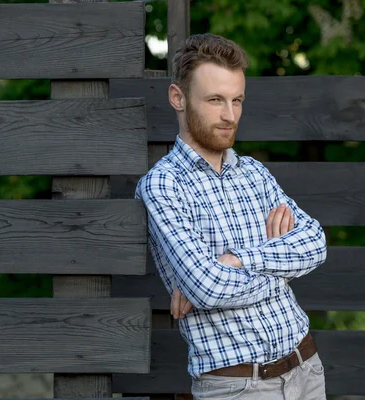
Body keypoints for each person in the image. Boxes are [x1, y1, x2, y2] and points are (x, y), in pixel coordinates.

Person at [135, 33, 328, 399]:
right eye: (215, 100)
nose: (230, 115)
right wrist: (281, 275)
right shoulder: (163, 185)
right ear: (178, 98)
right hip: (238, 387)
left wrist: (236, 260)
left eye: (237, 100)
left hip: (307, 370)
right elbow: (207, 288)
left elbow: (315, 244)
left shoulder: (254, 173)